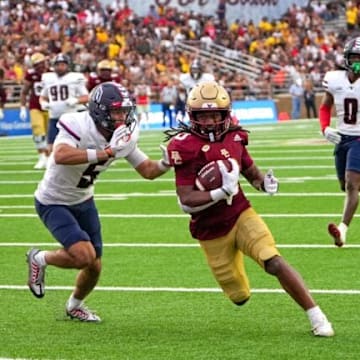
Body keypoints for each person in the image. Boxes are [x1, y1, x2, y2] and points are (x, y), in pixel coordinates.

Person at [164, 81, 334, 337]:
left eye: (215, 115)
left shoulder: (235, 136)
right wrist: (221, 192)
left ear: (225, 114)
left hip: (241, 213)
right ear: (192, 116)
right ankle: (237, 265)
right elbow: (186, 199)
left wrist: (264, 183)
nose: (210, 121)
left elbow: (251, 172)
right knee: (239, 295)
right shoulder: (183, 146)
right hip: (210, 230)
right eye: (203, 115)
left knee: (273, 260)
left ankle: (317, 316)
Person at [26, 82, 170, 322]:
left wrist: (166, 163)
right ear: (99, 111)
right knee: (83, 255)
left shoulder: (124, 134)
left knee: (95, 265)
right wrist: (106, 153)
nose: (122, 117)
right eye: (116, 111)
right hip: (53, 201)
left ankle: (74, 306)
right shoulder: (77, 124)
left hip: (84, 199)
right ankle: (39, 258)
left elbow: (147, 170)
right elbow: (60, 155)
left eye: (125, 111)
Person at [319, 36, 360, 247]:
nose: (358, 62)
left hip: (359, 138)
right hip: (342, 138)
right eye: (355, 57)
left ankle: (342, 230)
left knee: (353, 184)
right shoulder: (335, 79)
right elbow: (325, 106)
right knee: (345, 185)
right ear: (346, 58)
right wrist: (325, 128)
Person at [39, 53, 89, 154]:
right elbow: (42, 97)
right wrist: (43, 103)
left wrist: (76, 100)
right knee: (50, 147)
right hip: (54, 118)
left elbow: (87, 97)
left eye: (62, 64)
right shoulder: (48, 78)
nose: (60, 67)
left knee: (75, 145)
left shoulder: (75, 78)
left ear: (67, 65)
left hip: (71, 118)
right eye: (57, 64)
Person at [20, 52, 49, 169]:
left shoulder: (51, 72)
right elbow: (24, 91)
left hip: (49, 106)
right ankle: (42, 156)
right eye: (36, 64)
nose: (39, 66)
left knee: (50, 134)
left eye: (41, 63)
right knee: (38, 131)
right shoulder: (31, 74)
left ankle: (49, 156)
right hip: (35, 106)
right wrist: (22, 107)